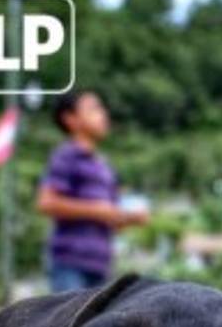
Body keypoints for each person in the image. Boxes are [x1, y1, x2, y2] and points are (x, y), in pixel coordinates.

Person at [37, 91, 148, 293]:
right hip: (70, 263)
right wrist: (97, 210)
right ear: (70, 119)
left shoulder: (104, 167)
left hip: (100, 265)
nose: (103, 114)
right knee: (71, 323)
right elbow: (47, 203)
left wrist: (130, 218)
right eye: (93, 109)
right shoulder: (66, 155)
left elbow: (110, 217)